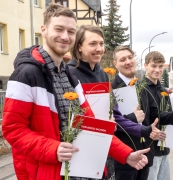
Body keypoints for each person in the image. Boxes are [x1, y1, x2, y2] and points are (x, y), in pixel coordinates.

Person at [2, 4, 148, 180]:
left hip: (78, 172)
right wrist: (53, 149)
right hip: (45, 173)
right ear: (44, 30)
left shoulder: (69, 75)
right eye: (59, 29)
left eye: (71, 31)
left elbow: (92, 125)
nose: (65, 36)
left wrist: (126, 154)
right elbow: (12, 129)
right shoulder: (26, 74)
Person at [67, 25, 157, 180]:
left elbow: (114, 115)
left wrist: (145, 130)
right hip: (77, 154)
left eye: (101, 44)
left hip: (103, 151)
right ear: (79, 46)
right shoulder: (69, 73)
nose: (99, 48)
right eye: (93, 44)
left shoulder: (101, 74)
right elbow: (69, 117)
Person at [111, 46, 160, 180]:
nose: (128, 62)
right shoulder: (111, 88)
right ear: (115, 64)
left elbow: (148, 117)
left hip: (145, 155)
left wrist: (152, 131)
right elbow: (111, 123)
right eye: (122, 59)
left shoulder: (141, 86)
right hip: (125, 158)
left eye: (130, 57)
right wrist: (133, 118)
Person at [139, 51, 173, 180]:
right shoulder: (141, 89)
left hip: (164, 147)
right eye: (153, 66)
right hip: (149, 149)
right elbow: (146, 118)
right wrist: (170, 117)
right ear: (145, 65)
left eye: (160, 66)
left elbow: (166, 116)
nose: (157, 70)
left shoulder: (164, 91)